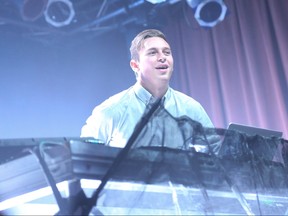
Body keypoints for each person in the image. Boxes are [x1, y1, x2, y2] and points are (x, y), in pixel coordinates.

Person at [81, 29, 214, 149]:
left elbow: (217, 157)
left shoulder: (192, 109)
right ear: (135, 65)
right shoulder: (110, 111)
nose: (162, 57)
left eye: (167, 52)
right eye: (153, 53)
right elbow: (84, 160)